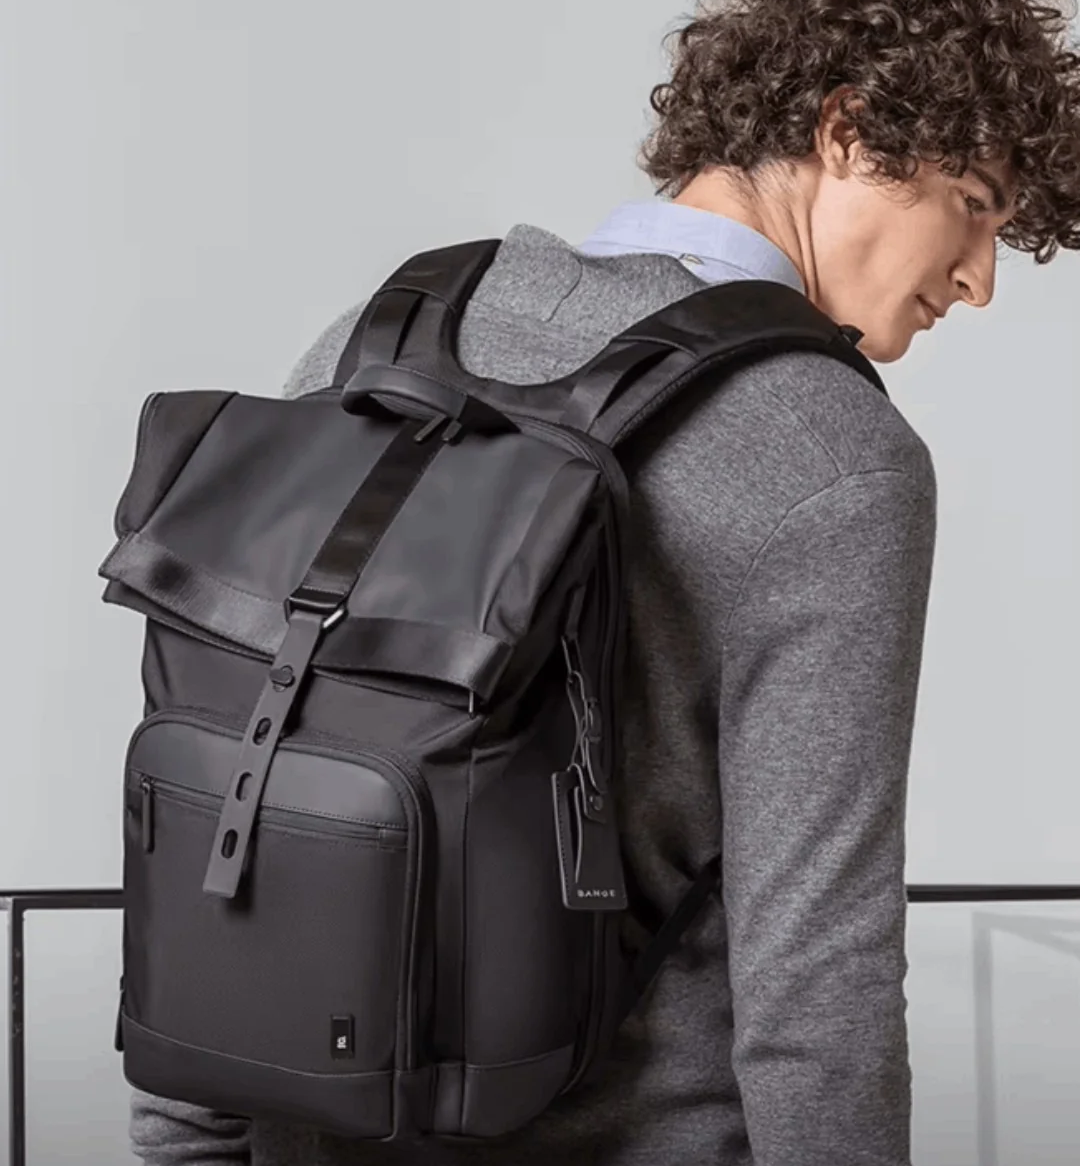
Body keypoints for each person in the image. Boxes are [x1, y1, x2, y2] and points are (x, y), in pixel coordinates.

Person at [129, 2, 1080, 1164]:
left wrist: (185, 1143)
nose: (979, 280)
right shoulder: (835, 456)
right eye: (973, 204)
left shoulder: (375, 341)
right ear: (848, 130)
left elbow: (221, 777)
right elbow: (818, 970)